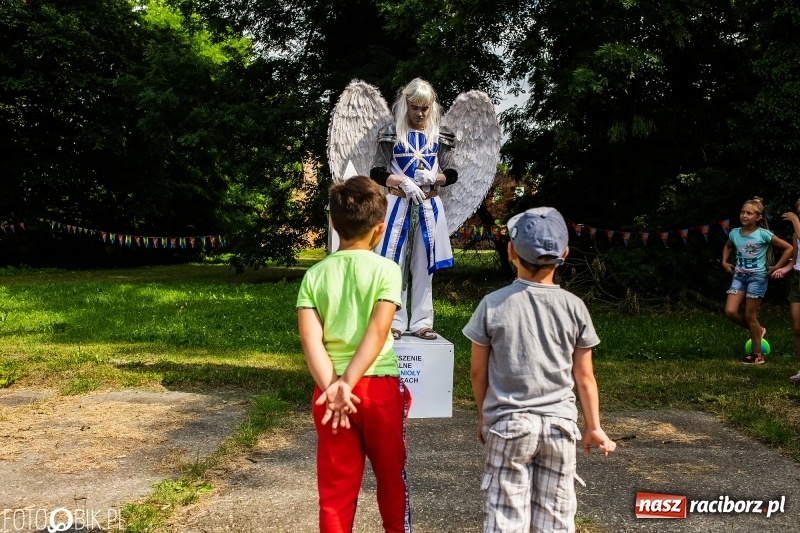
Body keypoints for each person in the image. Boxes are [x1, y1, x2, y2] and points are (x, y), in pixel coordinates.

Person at [463, 207, 616, 533]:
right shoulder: (575, 307)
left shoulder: (492, 304)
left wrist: (483, 416)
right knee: (555, 519)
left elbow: (478, 372)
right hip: (560, 428)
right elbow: (585, 377)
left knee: (506, 517)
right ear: (564, 254)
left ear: (511, 251)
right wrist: (593, 426)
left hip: (508, 425)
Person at [296, 175, 412, 533]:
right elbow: (379, 331)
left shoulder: (314, 275)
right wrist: (349, 383)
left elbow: (311, 342)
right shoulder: (387, 270)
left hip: (330, 396)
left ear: (332, 223)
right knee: (392, 480)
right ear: (380, 229)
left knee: (335, 490)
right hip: (377, 391)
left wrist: (334, 387)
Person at [370, 78, 457, 341]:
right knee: (394, 264)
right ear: (405, 105)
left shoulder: (440, 136)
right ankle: (395, 321)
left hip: (429, 206)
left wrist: (434, 178)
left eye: (425, 108)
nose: (419, 114)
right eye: (414, 108)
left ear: (431, 107)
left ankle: (422, 321)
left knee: (423, 264)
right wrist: (400, 181)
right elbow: (377, 171)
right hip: (397, 204)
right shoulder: (391, 133)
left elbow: (451, 173)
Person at [722, 197, 793, 364]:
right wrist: (724, 261)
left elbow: (788, 248)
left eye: (749, 213)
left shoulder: (764, 234)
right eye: (742, 212)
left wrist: (776, 267)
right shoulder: (734, 233)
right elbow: (728, 246)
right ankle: (758, 330)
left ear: (758, 217)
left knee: (749, 315)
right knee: (730, 311)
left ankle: (757, 355)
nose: (744, 215)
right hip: (739, 277)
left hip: (757, 278)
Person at [770, 198, 800, 381]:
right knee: (797, 328)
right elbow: (795, 259)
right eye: (799, 212)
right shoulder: (796, 235)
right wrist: (784, 269)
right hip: (798, 279)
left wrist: (796, 221)